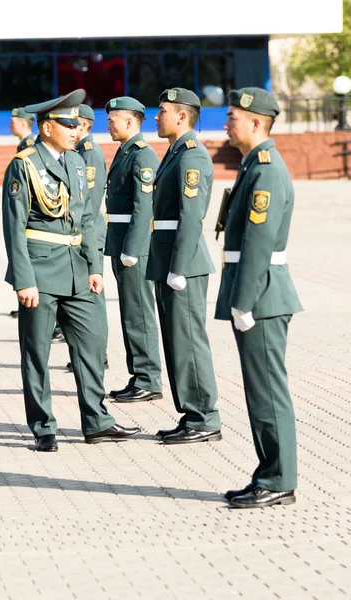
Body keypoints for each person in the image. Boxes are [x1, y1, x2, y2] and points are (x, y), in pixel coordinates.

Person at [2, 89, 141, 451]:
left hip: (79, 270)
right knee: (37, 354)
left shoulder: (77, 162)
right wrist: (23, 279)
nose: (75, 130)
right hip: (41, 272)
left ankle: (96, 421)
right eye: (67, 124)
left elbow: (87, 219)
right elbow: (14, 227)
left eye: (78, 124)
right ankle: (43, 426)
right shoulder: (25, 164)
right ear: (47, 127)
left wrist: (95, 266)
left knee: (92, 346)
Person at [215, 87, 303, 508]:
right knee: (260, 389)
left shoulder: (266, 169)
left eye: (233, 117)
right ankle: (269, 473)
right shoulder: (253, 164)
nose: (226, 123)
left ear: (255, 123)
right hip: (256, 290)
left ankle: (278, 479)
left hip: (262, 294)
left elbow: (258, 242)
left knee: (267, 390)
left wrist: (244, 300)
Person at [146, 87, 221, 444]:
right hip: (168, 259)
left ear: (181, 115)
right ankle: (191, 413)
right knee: (176, 341)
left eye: (162, 111)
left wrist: (178, 266)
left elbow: (191, 216)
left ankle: (205, 417)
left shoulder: (192, 156)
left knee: (188, 341)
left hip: (183, 264)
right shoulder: (175, 152)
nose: (156, 117)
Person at [104, 96, 162, 403]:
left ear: (129, 121)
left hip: (133, 247)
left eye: (113, 119)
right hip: (121, 242)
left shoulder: (142, 155)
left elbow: (144, 208)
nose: (108, 125)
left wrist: (132, 249)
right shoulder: (126, 151)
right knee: (130, 312)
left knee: (139, 312)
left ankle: (148, 379)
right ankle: (138, 375)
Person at [65, 103, 109, 371]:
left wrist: (80, 236)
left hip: (88, 237)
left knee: (93, 298)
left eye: (72, 123)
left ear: (84, 125)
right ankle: (87, 353)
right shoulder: (77, 152)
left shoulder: (90, 154)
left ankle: (97, 354)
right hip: (79, 237)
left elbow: (89, 204)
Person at [9, 107, 36, 317]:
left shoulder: (29, 145)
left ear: (23, 124)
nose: (10, 125)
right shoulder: (23, 144)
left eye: (14, 122)